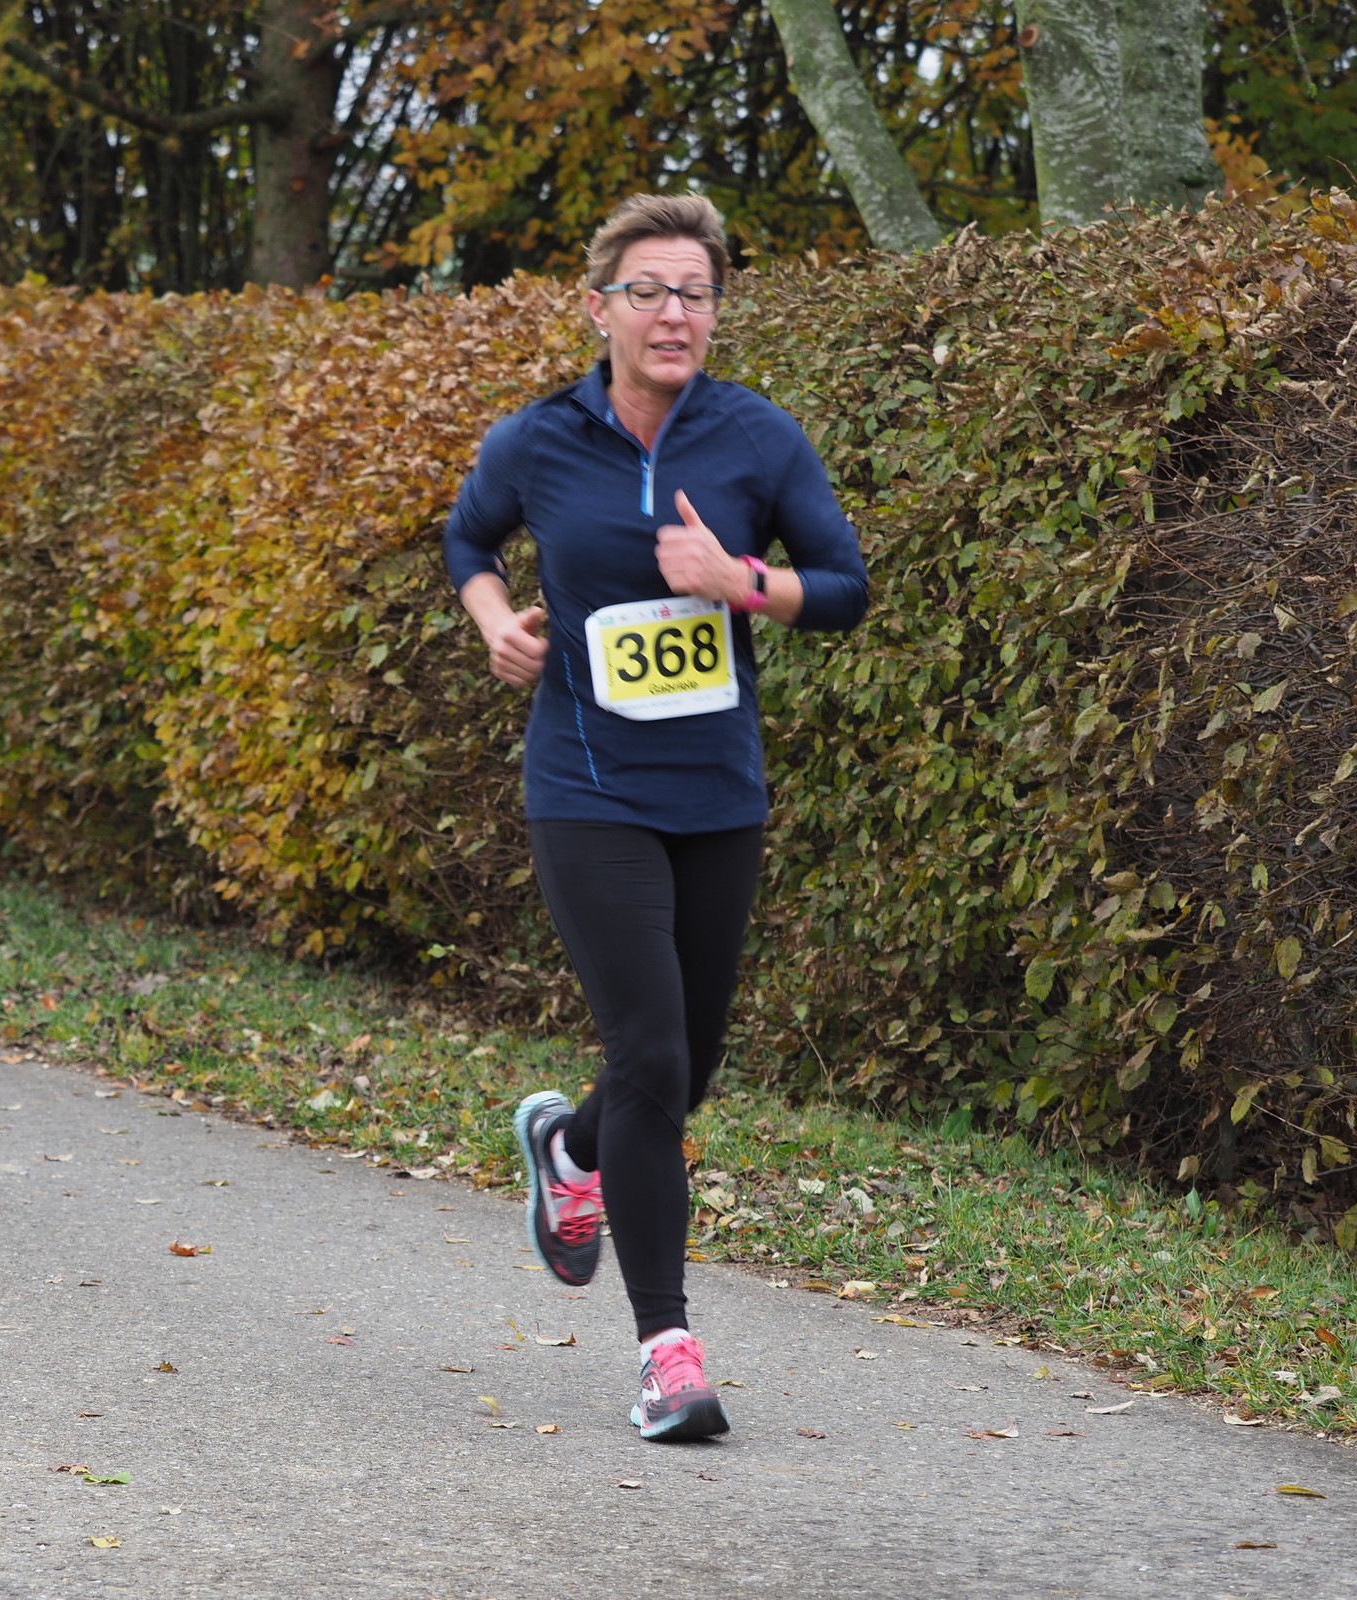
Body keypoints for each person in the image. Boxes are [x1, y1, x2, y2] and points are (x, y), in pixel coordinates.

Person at [442, 193, 868, 1440]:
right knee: (652, 1053)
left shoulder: (757, 438)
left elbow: (845, 587)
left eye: (696, 292)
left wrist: (741, 580)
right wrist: (496, 623)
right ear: (600, 307)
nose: (674, 312)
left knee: (688, 1064)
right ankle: (666, 1353)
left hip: (716, 793)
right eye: (650, 291)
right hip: (587, 787)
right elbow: (468, 540)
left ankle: (571, 1153)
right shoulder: (538, 440)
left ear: (716, 311)